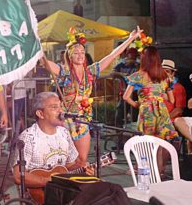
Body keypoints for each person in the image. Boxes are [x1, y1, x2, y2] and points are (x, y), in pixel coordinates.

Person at [41, 26, 142, 165]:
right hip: (65, 120)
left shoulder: (91, 71)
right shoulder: (65, 72)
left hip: (83, 120)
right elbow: (46, 63)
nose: (80, 55)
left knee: (82, 160)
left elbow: (112, 55)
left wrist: (130, 38)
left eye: (82, 52)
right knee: (63, 160)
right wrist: (37, 49)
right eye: (76, 53)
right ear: (70, 55)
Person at [12, 92, 93, 190]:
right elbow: (18, 176)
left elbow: (69, 166)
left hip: (61, 192)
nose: (61, 111)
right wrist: (48, 181)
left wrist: (82, 170)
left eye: (60, 106)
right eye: (54, 107)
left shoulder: (64, 133)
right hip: (37, 195)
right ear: (40, 114)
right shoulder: (28, 137)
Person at [123, 46, 179, 173]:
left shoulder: (138, 76)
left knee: (145, 141)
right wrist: (158, 96)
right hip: (161, 111)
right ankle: (160, 170)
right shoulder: (164, 76)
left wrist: (137, 104)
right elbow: (172, 100)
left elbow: (126, 97)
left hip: (147, 111)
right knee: (161, 140)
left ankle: (142, 168)